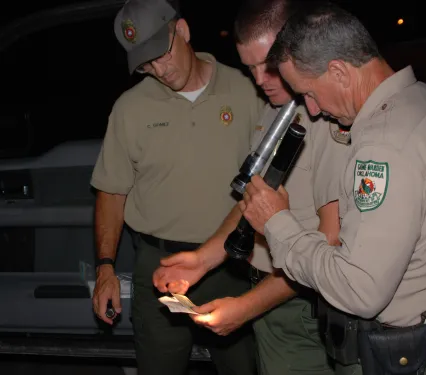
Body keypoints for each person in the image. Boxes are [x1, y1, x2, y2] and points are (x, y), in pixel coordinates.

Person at [239, 2, 426, 375]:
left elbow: (360, 290)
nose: (313, 109)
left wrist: (278, 223)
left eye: (308, 92)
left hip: (400, 356)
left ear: (338, 71)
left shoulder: (383, 149)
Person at [152, 1, 350, 374]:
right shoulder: (274, 110)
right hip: (269, 298)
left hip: (305, 306)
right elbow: (253, 198)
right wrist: (202, 260)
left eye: (270, 65)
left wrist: (247, 308)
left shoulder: (327, 117)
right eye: (250, 68)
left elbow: (332, 244)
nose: (260, 79)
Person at [90, 0, 264, 374]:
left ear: (182, 31)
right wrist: (105, 267)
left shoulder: (246, 90)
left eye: (161, 54)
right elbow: (111, 192)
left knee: (244, 368)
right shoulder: (129, 109)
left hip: (232, 262)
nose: (158, 70)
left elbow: (269, 180)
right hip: (159, 265)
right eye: (145, 63)